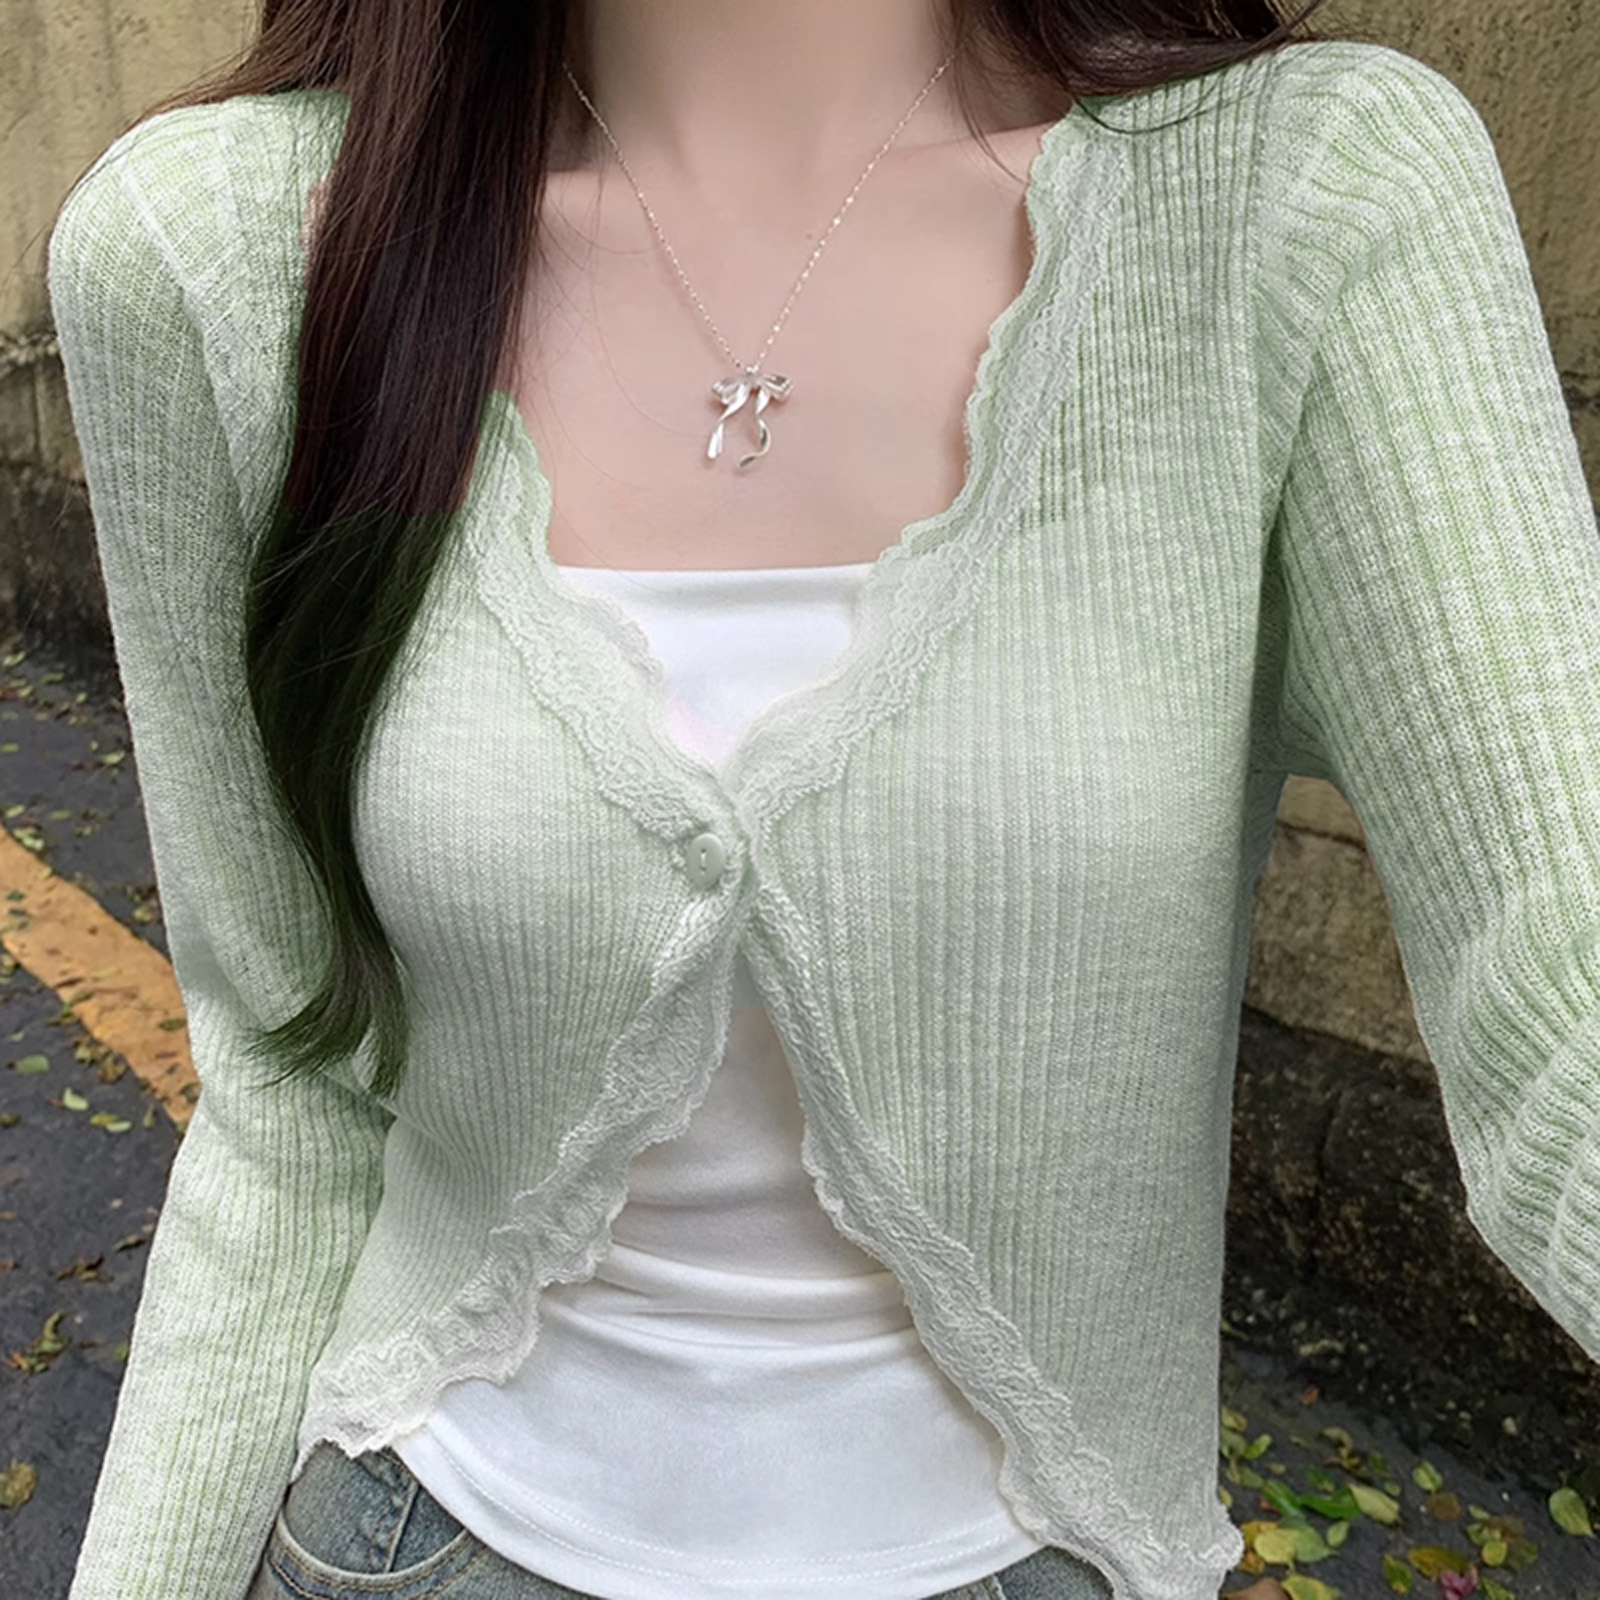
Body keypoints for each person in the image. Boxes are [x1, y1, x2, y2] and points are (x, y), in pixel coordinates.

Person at [46, 0, 1600, 1597]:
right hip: (413, 1539)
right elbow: (290, 1089)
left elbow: (1566, 998)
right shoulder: (222, 253)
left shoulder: (1307, 202)